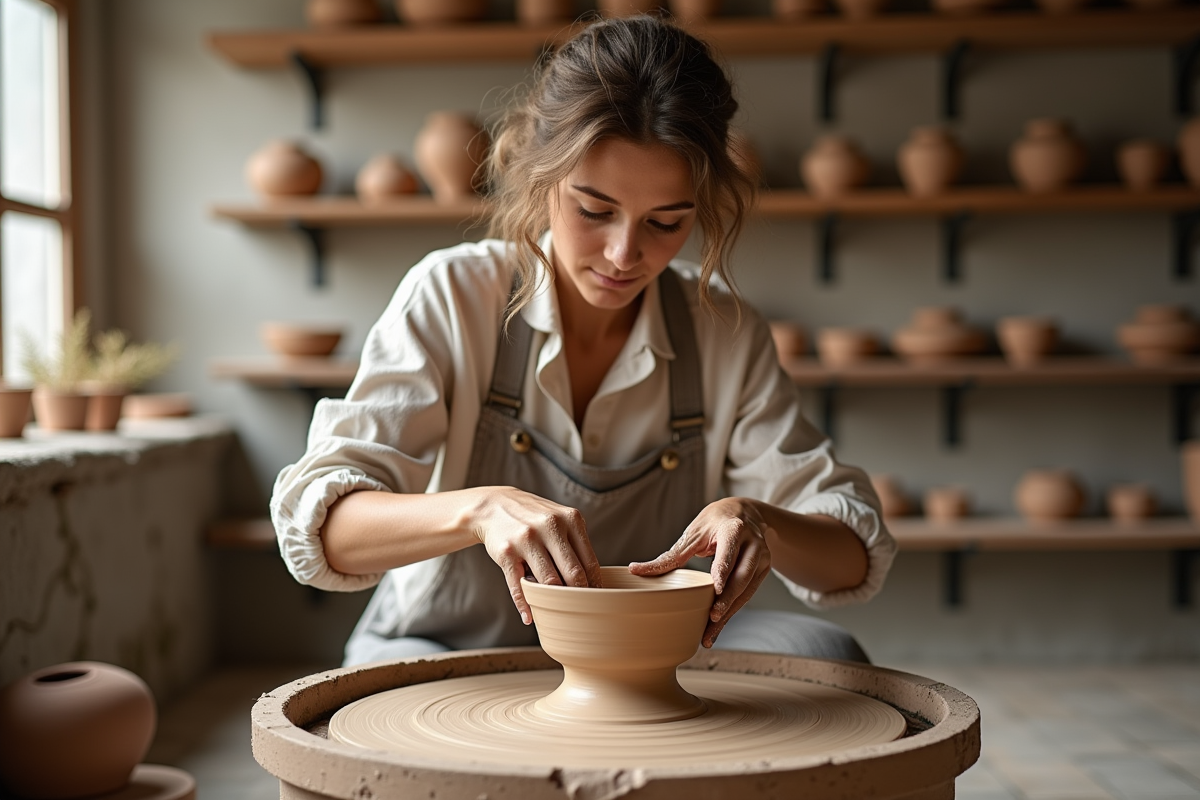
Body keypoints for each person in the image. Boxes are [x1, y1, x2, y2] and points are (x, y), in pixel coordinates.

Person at [270, 14, 896, 668]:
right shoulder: (455, 293)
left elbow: (848, 558)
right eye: (594, 210)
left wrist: (760, 520)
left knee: (830, 658)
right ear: (541, 178)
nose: (625, 253)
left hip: (649, 653)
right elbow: (324, 534)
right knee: (385, 716)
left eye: (665, 221)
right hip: (450, 643)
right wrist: (481, 511)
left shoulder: (722, 328)